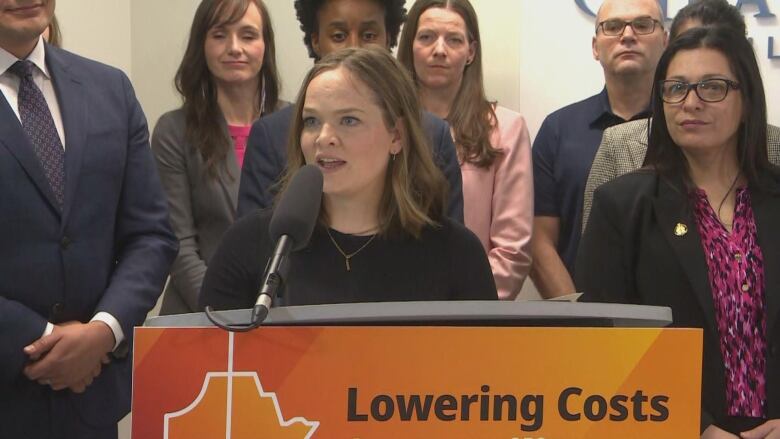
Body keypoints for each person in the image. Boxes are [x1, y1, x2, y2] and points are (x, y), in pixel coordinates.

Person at [577, 26, 780, 438]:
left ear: (747, 100)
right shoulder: (622, 207)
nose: (691, 102)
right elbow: (603, 343)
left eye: (712, 87)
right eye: (675, 89)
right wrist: (697, 426)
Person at [0, 1, 178, 438]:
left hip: (90, 404)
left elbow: (151, 235)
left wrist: (103, 332)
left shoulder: (109, 88)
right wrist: (44, 341)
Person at [201, 47, 497, 309]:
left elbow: (487, 368)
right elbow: (209, 362)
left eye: (349, 120)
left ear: (396, 135)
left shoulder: (457, 255)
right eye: (312, 121)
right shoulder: (253, 244)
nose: (324, 138)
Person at [236, 0, 465, 223]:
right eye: (338, 36)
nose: (353, 46)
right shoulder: (271, 135)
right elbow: (254, 248)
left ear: (389, 38)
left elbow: (449, 247)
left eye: (369, 36)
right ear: (316, 41)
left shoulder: (432, 134)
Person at [582, 0, 780, 231]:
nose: (693, 102)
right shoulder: (620, 152)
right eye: (688, 44)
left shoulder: (773, 152)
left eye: (713, 86)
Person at [152, 0, 283, 315]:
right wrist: (227, 311)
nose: (234, 48)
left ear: (265, 46)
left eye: (248, 35)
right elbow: (178, 245)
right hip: (200, 315)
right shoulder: (174, 130)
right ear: (202, 45)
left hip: (284, 314)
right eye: (220, 35)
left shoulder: (296, 123)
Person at [529, 0, 667, 298]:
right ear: (595, 47)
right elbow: (539, 243)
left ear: (665, 41)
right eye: (613, 26)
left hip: (675, 323)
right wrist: (582, 317)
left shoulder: (685, 127)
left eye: (643, 25)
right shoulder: (558, 130)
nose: (628, 35)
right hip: (581, 322)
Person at [396, 0, 532, 300]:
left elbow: (512, 250)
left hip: (472, 312)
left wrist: (465, 308)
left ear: (471, 51)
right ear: (410, 46)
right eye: (427, 37)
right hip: (391, 304)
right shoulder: (386, 128)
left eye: (454, 39)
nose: (440, 50)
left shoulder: (506, 128)